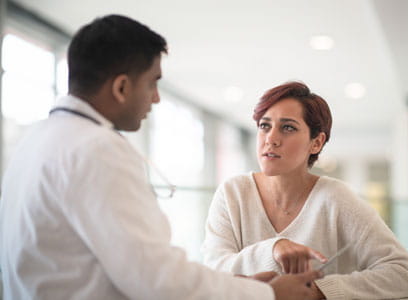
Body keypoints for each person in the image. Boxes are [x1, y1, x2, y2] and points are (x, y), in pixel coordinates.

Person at [0, 15, 323, 300]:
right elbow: (157, 280)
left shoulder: (37, 139)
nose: (155, 98)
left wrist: (239, 288)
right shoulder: (97, 149)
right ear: (122, 87)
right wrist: (265, 295)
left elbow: (121, 268)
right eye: (152, 83)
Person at [201, 81, 408, 299]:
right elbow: (212, 273)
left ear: (316, 142)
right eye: (264, 126)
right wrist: (272, 249)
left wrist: (318, 291)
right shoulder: (232, 193)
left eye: (287, 127)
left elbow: (404, 274)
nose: (271, 139)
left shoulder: (336, 198)